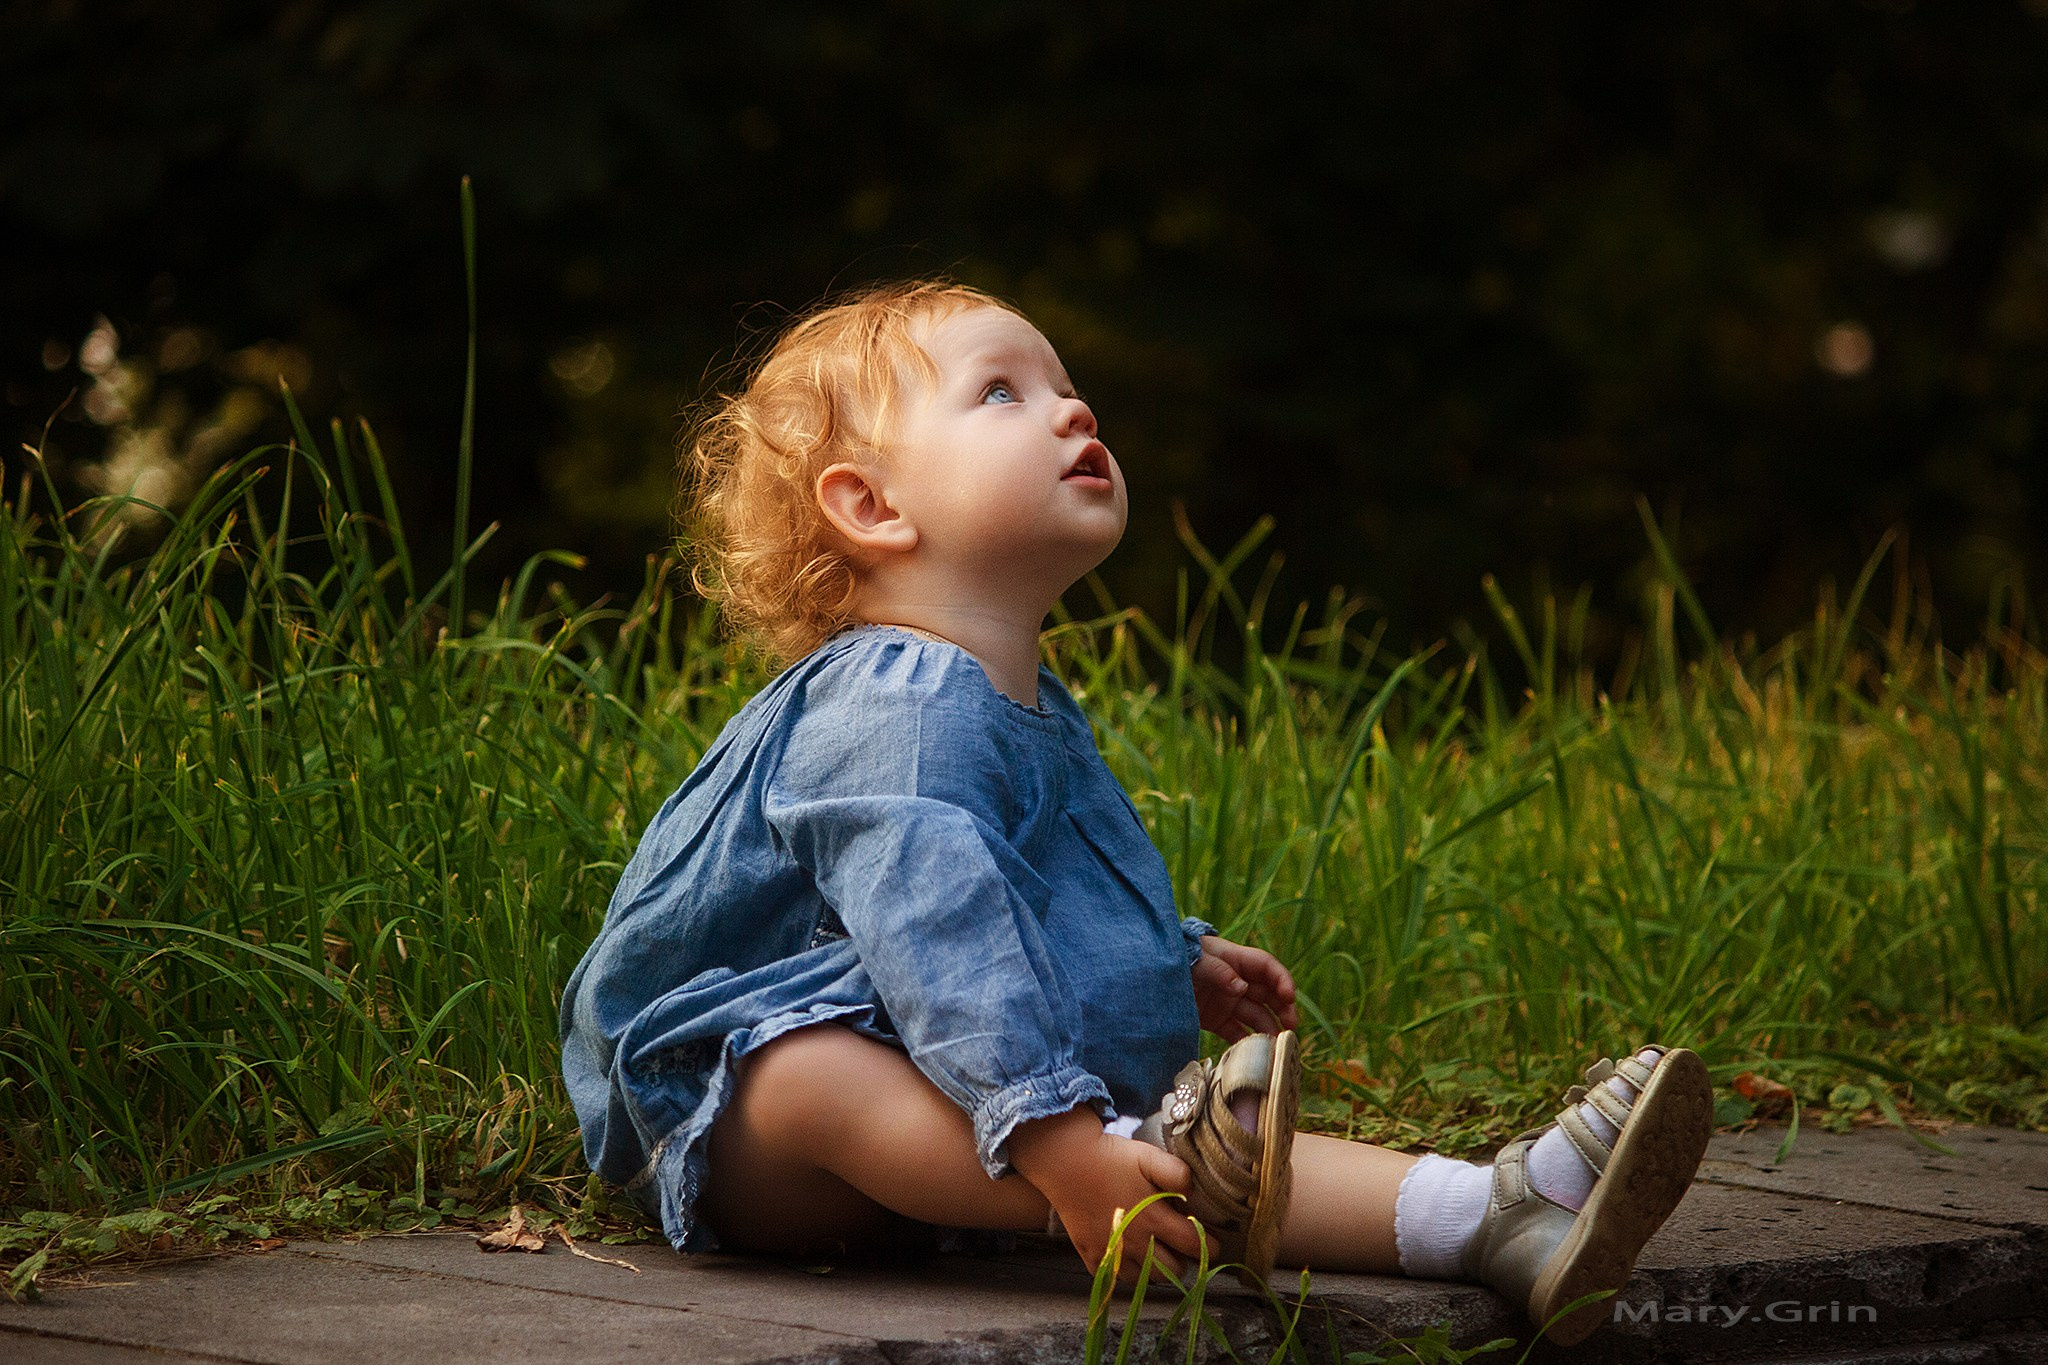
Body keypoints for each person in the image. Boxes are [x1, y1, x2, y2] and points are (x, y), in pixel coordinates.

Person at [558, 280, 1714, 1347]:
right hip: (734, 1130)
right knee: (807, 1074)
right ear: (869, 505)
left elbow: (1033, 884)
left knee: (1200, 1157)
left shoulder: (1021, 698)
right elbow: (940, 932)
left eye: (1066, 386)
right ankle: (1120, 1160)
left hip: (956, 1107)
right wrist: (1061, 1146)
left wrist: (1172, 956)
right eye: (1002, 392)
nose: (1070, 410)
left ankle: (1498, 1214)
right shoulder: (893, 702)